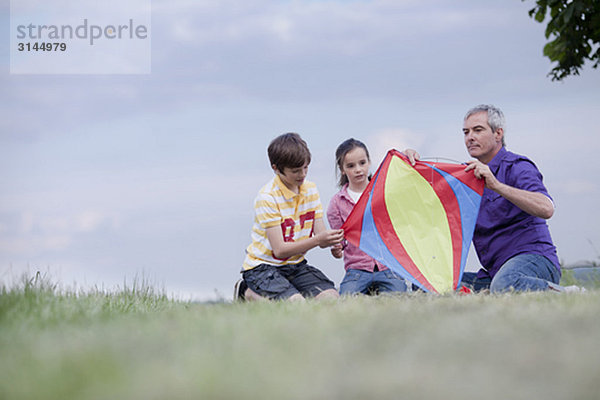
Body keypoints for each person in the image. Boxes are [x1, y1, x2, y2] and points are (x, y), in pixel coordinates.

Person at [405, 104, 581, 293]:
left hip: (535, 260)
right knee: (426, 286)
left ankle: (570, 293)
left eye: (478, 130)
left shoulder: (518, 166)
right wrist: (411, 167)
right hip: (494, 273)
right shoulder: (465, 176)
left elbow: (547, 208)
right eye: (466, 132)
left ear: (498, 134)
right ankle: (491, 292)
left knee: (505, 283)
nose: (470, 137)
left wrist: (496, 185)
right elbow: (428, 203)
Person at [234, 133, 344, 301]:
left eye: (305, 168)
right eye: (295, 171)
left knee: (331, 298)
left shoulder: (311, 189)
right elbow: (280, 250)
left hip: (295, 265)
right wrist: (318, 240)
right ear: (276, 168)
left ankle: (287, 290)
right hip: (263, 267)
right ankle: (245, 291)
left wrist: (332, 244)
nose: (302, 174)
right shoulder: (267, 197)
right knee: (295, 303)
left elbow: (320, 234)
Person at [327, 138, 407, 295]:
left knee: (399, 297)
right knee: (347, 300)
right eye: (351, 166)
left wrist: (407, 156)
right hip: (357, 270)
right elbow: (339, 243)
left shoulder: (382, 192)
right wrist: (336, 249)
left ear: (369, 162)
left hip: (387, 267)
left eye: (362, 163)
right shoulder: (336, 204)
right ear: (342, 169)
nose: (358, 169)